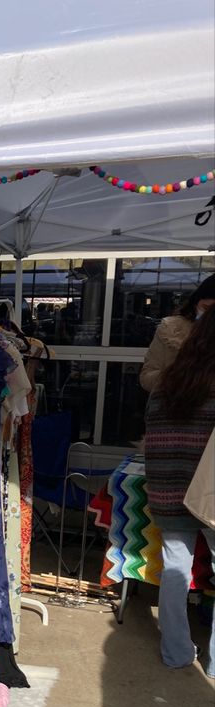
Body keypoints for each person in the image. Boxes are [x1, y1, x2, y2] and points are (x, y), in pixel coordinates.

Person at [144, 304, 215, 671]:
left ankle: (176, 652)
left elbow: (153, 437)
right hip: (211, 492)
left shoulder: (167, 382)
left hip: (169, 487)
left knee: (175, 571)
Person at [140, 273, 215, 392]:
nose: (209, 316)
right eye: (206, 308)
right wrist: (179, 376)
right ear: (196, 302)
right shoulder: (170, 330)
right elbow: (147, 377)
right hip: (176, 406)